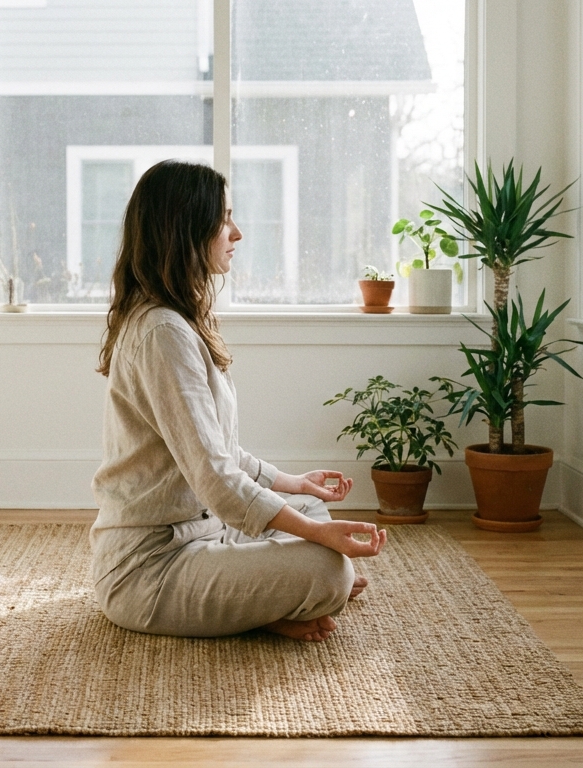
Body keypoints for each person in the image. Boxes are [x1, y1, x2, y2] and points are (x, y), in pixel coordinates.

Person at [90, 160, 387, 643]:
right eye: (225, 218)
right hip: (148, 570)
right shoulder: (163, 332)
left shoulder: (174, 321)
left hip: (203, 534)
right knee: (329, 571)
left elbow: (217, 449)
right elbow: (217, 478)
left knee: (307, 508)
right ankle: (261, 605)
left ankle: (256, 602)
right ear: (187, 228)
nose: (238, 232)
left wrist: (293, 482)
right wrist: (318, 541)